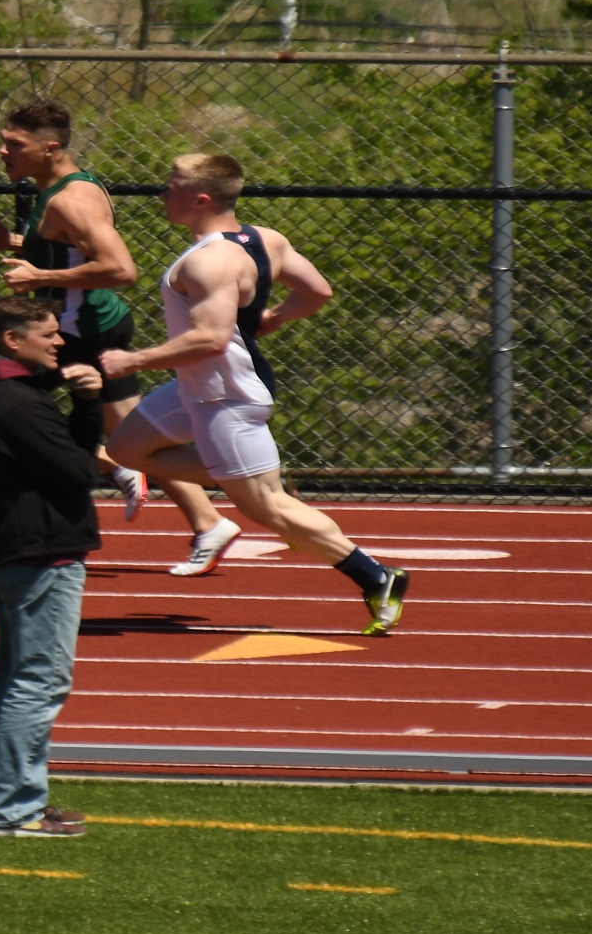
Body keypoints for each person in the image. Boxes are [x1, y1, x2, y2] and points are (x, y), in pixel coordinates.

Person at [100, 154, 410, 636]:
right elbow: (317, 292)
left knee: (265, 506)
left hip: (226, 395)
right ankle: (244, 473)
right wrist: (277, 317)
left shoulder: (209, 261)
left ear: (201, 199)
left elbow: (211, 339)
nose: (162, 193)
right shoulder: (265, 239)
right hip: (196, 388)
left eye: (172, 186)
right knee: (125, 448)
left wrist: (133, 361)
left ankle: (375, 576)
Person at [0, 100, 216, 542]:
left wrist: (39, 277)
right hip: (88, 325)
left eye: (14, 144)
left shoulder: (72, 200)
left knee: (0, 410)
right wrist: (12, 242)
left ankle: (118, 467)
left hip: (78, 331)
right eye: (3, 141)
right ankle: (209, 520)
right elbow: (68, 248)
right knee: (129, 433)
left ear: (50, 149)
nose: (2, 151)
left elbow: (121, 269)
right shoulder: (60, 188)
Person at [0, 296, 101, 837]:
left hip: (6, 555)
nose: (60, 342)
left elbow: (64, 459)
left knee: (16, 682)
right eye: (48, 334)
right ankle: (9, 811)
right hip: (39, 556)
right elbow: (79, 471)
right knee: (38, 683)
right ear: (12, 341)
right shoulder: (15, 403)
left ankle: (19, 800)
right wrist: (88, 406)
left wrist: (81, 401)